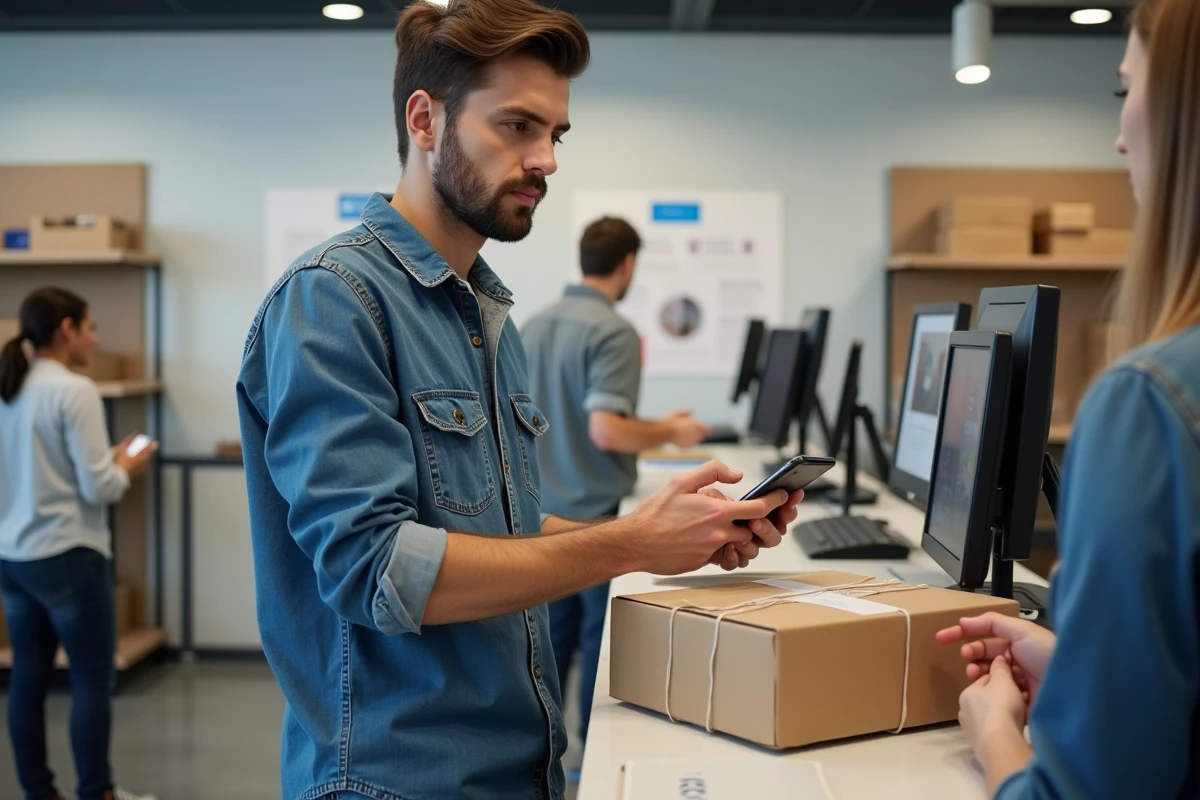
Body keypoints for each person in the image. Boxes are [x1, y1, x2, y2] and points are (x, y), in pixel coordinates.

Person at [235, 2, 804, 799]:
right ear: (425, 120)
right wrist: (628, 547)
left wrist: (671, 534)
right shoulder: (333, 301)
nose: (546, 160)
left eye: (555, 135)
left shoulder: (489, 315)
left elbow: (496, 526)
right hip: (397, 781)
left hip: (514, 769)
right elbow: (379, 570)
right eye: (517, 127)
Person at [936, 0, 1200, 795]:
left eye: (1126, 94)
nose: (1120, 135)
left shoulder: (1152, 405)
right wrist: (1093, 664)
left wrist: (994, 736)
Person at [521, 215, 710, 753]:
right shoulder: (613, 330)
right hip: (597, 511)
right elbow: (605, 428)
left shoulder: (532, 324)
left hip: (541, 516)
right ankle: (592, 758)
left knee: (550, 648)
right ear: (627, 264)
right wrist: (670, 431)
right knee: (599, 643)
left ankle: (549, 753)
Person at [0, 287, 158, 800]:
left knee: (28, 677)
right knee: (91, 679)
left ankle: (37, 792)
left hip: (14, 558)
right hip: (70, 554)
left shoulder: (10, 388)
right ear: (66, 330)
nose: (96, 337)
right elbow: (99, 487)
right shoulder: (75, 390)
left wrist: (101, 461)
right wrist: (125, 467)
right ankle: (97, 793)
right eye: (90, 327)